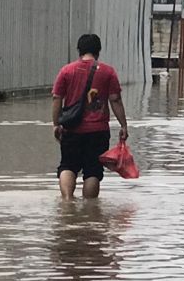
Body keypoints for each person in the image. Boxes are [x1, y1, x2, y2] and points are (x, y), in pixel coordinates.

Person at [52, 33, 129, 199]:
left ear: (79, 50)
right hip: (98, 130)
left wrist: (56, 123)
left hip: (71, 128)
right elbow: (115, 99)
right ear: (98, 51)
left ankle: (66, 202)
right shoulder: (108, 72)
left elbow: (57, 98)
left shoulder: (67, 71)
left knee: (68, 166)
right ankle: (90, 210)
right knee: (93, 170)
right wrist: (123, 125)